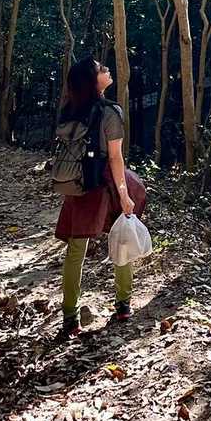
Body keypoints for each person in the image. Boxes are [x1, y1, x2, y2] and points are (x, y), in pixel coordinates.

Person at [53, 56, 147, 339]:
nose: (106, 69)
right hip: (103, 183)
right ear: (93, 81)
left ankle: (69, 318)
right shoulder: (109, 112)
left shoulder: (70, 109)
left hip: (77, 183)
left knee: (75, 251)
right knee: (121, 238)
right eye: (99, 68)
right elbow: (115, 158)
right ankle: (123, 305)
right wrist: (125, 195)